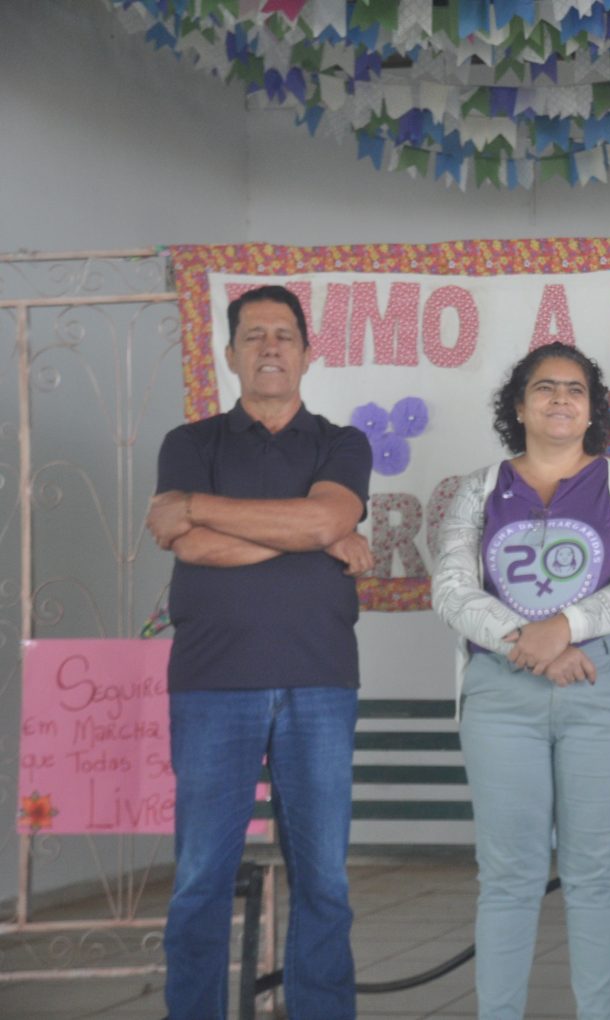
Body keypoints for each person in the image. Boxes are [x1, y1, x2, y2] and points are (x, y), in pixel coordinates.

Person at [146, 284, 374, 1020]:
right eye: (254, 335)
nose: (270, 347)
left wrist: (198, 507)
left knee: (324, 883)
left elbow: (313, 519)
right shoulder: (190, 443)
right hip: (213, 683)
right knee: (200, 880)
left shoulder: (342, 443)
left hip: (320, 681)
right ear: (230, 354)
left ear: (308, 354)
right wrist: (312, 535)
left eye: (284, 335)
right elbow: (193, 547)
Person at [431, 342, 610, 1020]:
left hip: (604, 687)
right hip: (502, 693)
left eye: (575, 389)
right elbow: (450, 587)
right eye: (544, 387)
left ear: (592, 411)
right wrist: (528, 644)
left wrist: (564, 625)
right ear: (518, 405)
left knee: (598, 877)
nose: (560, 398)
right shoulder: (480, 488)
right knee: (508, 878)